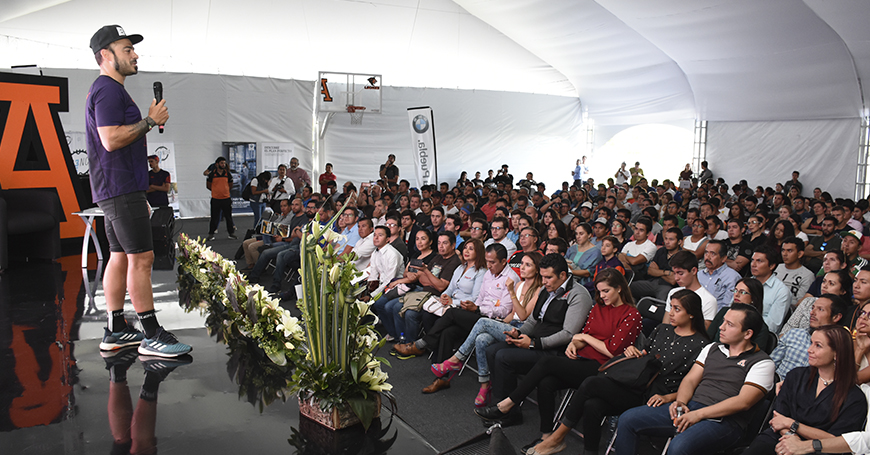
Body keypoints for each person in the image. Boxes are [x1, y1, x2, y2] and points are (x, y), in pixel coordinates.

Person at [86, 24, 189, 357]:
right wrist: (149, 120)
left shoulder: (110, 90)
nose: (135, 54)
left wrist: (139, 193)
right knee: (142, 258)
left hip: (120, 188)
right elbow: (111, 138)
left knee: (119, 256)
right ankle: (152, 334)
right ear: (106, 55)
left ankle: (116, 329)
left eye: (133, 49)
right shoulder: (107, 90)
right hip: (118, 188)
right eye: (127, 49)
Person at [527, 289, 710, 455]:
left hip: (657, 395)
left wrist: (669, 398)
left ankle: (557, 438)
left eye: (677, 309)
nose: (670, 313)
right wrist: (633, 352)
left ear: (692, 313)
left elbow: (694, 384)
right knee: (592, 404)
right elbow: (645, 355)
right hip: (635, 382)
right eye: (671, 307)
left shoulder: (701, 345)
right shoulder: (663, 329)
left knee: (592, 383)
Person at [615, 304, 774, 455]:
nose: (721, 327)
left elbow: (743, 402)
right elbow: (690, 379)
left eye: (730, 324)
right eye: (723, 321)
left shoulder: (762, 363)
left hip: (725, 421)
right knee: (628, 419)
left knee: (680, 446)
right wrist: (681, 402)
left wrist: (698, 415)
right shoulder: (712, 348)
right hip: (692, 406)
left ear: (747, 334)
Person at [474, 265, 615, 428]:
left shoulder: (578, 294)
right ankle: (500, 405)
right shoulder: (545, 290)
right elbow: (533, 321)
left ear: (562, 275)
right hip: (537, 341)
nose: (544, 282)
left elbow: (568, 334)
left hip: (554, 350)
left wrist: (534, 344)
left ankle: (509, 412)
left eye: (548, 277)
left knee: (503, 356)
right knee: (492, 350)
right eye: (542, 277)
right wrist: (519, 333)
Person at [429, 252, 544, 406]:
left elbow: (522, 316)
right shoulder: (519, 285)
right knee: (481, 338)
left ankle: (456, 359)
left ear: (537, 269)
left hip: (523, 331)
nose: (522, 267)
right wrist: (500, 324)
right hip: (509, 325)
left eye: (528, 265)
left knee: (483, 322)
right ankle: (484, 385)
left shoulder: (539, 290)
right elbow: (511, 315)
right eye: (522, 263)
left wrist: (511, 293)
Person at [745, 325, 866, 455]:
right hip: (782, 436)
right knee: (762, 445)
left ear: (837, 353)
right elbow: (778, 417)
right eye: (811, 343)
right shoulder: (796, 376)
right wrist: (792, 438)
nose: (809, 350)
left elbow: (838, 441)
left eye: (818, 345)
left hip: (821, 450)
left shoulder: (854, 397)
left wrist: (795, 428)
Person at [770, 295, 847, 380]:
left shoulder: (838, 345)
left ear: (836, 317)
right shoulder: (794, 334)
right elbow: (771, 364)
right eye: (813, 308)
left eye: (820, 309)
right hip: (777, 385)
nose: (812, 312)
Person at [782, 269, 852, 334]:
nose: (825, 286)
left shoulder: (846, 311)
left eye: (831, 284)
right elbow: (789, 326)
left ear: (843, 291)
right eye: (824, 281)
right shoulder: (809, 301)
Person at [752, 245, 792, 333]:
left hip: (759, 336)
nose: (753, 265)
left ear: (772, 266)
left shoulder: (781, 291)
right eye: (752, 260)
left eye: (759, 261)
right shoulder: (745, 283)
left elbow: (772, 326)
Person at [699, 239, 742, 311]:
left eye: (713, 254)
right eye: (706, 252)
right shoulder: (699, 275)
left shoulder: (732, 277)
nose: (707, 257)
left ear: (723, 258)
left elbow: (727, 307)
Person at [774, 237, 814, 305]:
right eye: (783, 250)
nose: (784, 254)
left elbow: (800, 303)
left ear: (800, 254)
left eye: (789, 251)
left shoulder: (808, 275)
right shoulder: (776, 267)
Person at [205, 157, 236, 240]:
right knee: (214, 217)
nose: (223, 165)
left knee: (228, 217)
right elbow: (208, 185)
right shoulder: (212, 174)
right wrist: (216, 191)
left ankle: (231, 233)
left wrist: (224, 191)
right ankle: (211, 234)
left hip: (226, 199)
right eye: (221, 163)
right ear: (217, 164)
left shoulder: (227, 174)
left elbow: (230, 185)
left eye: (224, 163)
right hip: (215, 199)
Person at [565, 223, 603, 287]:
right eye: (576, 234)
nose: (578, 236)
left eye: (581, 234)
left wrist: (569, 271)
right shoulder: (572, 248)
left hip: (584, 285)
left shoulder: (595, 252)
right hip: (567, 280)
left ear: (589, 235)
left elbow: (587, 273)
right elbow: (565, 260)